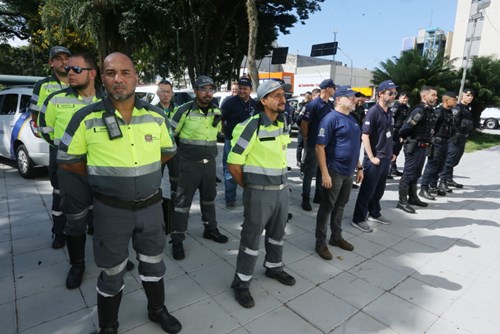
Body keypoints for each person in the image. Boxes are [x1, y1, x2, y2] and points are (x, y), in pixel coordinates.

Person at [57, 52, 181, 334]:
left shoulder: (156, 116)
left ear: (136, 78)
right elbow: (68, 159)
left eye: (125, 72)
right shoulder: (85, 117)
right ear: (102, 78)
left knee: (153, 263)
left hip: (150, 208)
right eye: (111, 73)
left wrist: (141, 175)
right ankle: (109, 327)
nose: (118, 79)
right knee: (112, 271)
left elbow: (167, 152)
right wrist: (101, 177)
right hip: (110, 211)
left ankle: (157, 310)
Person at [227, 80, 295, 308]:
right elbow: (234, 163)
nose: (282, 99)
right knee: (251, 239)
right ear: (263, 100)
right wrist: (249, 187)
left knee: (277, 234)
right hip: (259, 193)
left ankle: (274, 267)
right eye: (276, 95)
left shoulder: (283, 122)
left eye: (283, 95)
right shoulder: (251, 126)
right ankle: (241, 282)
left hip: (282, 192)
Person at [38, 53, 104, 289]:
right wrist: (63, 150)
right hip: (71, 169)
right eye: (68, 69)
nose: (69, 71)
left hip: (101, 167)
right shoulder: (56, 100)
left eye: (76, 69)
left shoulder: (107, 99)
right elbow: (45, 129)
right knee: (75, 220)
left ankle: (110, 259)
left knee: (105, 217)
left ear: (92, 73)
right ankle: (77, 265)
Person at [169, 75, 228, 260]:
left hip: (209, 165)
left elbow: (217, 134)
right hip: (188, 165)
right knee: (182, 203)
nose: (208, 93)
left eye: (211, 90)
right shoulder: (183, 111)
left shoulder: (217, 112)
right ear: (195, 91)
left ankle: (210, 229)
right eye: (204, 89)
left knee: (209, 199)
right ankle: (177, 239)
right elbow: (168, 136)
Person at [29, 45, 71, 249]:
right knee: (59, 191)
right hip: (59, 149)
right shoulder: (43, 86)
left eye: (66, 58)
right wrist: (52, 140)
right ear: (51, 63)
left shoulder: (78, 82)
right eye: (59, 58)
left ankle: (90, 225)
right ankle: (59, 232)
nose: (64, 62)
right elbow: (35, 118)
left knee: (89, 188)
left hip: (85, 149)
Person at [314, 86, 363, 260]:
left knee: (341, 205)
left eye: (354, 97)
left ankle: (336, 237)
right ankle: (320, 243)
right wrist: (325, 174)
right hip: (334, 170)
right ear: (339, 99)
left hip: (349, 171)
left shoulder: (353, 118)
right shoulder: (330, 119)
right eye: (350, 97)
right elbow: (319, 147)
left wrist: (359, 167)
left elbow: (355, 145)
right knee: (327, 207)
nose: (354, 100)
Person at [351, 80, 397, 232]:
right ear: (381, 94)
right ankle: (358, 218)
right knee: (367, 190)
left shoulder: (388, 112)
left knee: (379, 190)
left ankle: (375, 213)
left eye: (394, 93)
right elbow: (365, 136)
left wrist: (391, 153)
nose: (393, 96)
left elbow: (387, 135)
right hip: (375, 159)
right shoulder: (373, 111)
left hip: (385, 157)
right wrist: (371, 157)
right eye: (390, 93)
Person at [397, 86, 438, 214]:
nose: (436, 97)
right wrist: (404, 138)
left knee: (416, 173)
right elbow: (405, 128)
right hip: (414, 146)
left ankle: (413, 198)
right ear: (425, 96)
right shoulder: (419, 111)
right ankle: (402, 201)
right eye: (434, 95)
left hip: (423, 146)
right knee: (408, 174)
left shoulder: (429, 110)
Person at [220, 77, 256, 208]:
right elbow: (220, 119)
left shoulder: (255, 104)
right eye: (240, 88)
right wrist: (226, 134)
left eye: (245, 88)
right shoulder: (229, 102)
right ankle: (230, 198)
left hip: (250, 144)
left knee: (249, 170)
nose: (242, 90)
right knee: (230, 170)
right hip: (232, 142)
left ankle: (249, 196)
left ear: (250, 90)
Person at [300, 79, 336, 211]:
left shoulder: (330, 105)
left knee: (322, 171)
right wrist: (307, 138)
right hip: (314, 144)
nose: (335, 90)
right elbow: (304, 124)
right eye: (333, 88)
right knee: (310, 172)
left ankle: (318, 195)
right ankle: (305, 197)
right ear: (327, 89)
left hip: (326, 144)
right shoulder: (313, 104)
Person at [420, 91, 457, 199]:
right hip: (437, 143)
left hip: (446, 142)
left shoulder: (449, 112)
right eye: (454, 100)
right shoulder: (438, 112)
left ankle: (433, 186)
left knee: (440, 166)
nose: (455, 102)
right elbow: (431, 128)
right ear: (446, 100)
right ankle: (424, 188)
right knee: (432, 166)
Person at [439, 88, 475, 189]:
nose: (470, 97)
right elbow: (451, 122)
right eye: (468, 95)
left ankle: (449, 179)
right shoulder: (457, 108)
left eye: (471, 96)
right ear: (461, 96)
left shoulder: (467, 108)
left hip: (462, 137)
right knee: (450, 159)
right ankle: (442, 181)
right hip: (455, 137)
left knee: (455, 160)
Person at [390, 92, 410, 178]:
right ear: (399, 98)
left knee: (396, 151)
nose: (405, 99)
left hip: (402, 131)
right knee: (393, 150)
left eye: (406, 98)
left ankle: (393, 168)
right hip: (396, 131)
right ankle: (390, 169)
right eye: (404, 98)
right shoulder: (396, 106)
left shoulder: (406, 107)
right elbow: (391, 119)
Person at [295, 91, 313, 167]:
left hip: (303, 128)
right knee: (302, 146)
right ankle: (300, 161)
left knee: (302, 146)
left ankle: (300, 161)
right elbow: (297, 118)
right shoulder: (304, 106)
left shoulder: (302, 105)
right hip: (303, 128)